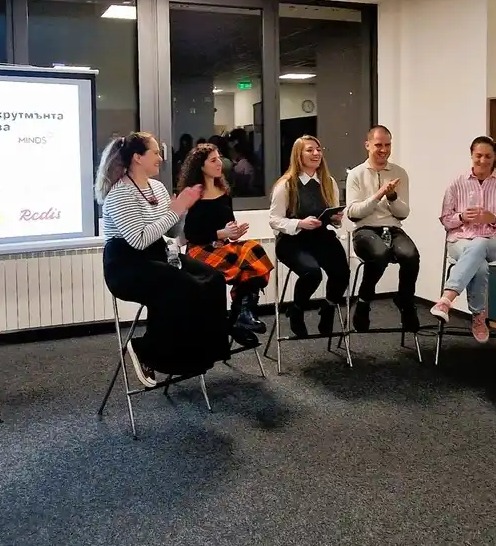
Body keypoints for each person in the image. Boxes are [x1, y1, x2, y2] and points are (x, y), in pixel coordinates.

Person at [96, 132, 238, 389]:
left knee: (213, 279)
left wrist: (182, 212)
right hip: (126, 264)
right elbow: (139, 240)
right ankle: (145, 349)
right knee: (180, 285)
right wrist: (176, 209)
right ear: (137, 157)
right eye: (155, 153)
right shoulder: (119, 194)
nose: (160, 158)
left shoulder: (158, 188)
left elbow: (171, 232)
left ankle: (199, 353)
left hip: (157, 254)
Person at [430, 136, 496, 343]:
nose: (483, 160)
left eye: (488, 156)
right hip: (460, 241)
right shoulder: (457, 183)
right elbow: (446, 220)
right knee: (479, 265)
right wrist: (461, 217)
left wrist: (493, 218)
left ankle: (447, 298)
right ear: (471, 155)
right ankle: (479, 317)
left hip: (494, 242)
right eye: (479, 155)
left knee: (480, 242)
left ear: (494, 157)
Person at [179, 143, 273, 339]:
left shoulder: (224, 192)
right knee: (247, 261)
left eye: (219, 159)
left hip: (222, 247)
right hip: (199, 251)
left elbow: (229, 227)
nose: (219, 163)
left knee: (253, 251)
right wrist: (220, 233)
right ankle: (238, 318)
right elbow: (190, 234)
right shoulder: (192, 195)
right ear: (201, 166)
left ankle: (241, 316)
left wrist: (234, 233)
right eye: (213, 160)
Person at [269, 135, 349, 337]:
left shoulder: (328, 182)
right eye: (310, 150)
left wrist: (335, 218)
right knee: (312, 274)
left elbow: (331, 216)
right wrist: (299, 223)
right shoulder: (286, 184)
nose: (316, 154)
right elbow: (274, 220)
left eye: (318, 150)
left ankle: (328, 308)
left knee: (342, 273)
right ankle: (296, 310)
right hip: (292, 241)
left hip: (321, 238)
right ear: (298, 155)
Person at [345, 125, 419, 332]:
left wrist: (392, 197)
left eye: (387, 145)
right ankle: (364, 301)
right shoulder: (356, 174)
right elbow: (353, 213)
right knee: (380, 254)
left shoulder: (399, 173)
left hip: (392, 228)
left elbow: (403, 213)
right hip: (365, 230)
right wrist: (379, 194)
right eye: (378, 145)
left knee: (411, 255)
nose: (384, 150)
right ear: (367, 145)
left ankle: (405, 301)